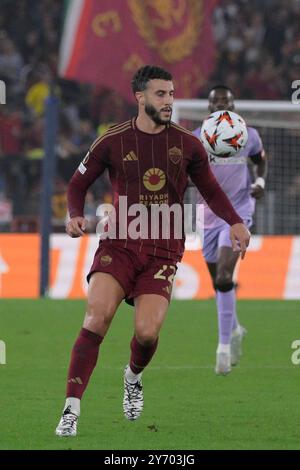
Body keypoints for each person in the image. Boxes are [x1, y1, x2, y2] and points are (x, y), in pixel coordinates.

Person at [55, 67, 250, 437]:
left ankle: (133, 376)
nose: (169, 101)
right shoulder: (112, 141)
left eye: (172, 94)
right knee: (96, 318)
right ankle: (70, 409)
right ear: (140, 98)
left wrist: (235, 222)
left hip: (163, 249)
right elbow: (78, 183)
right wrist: (75, 215)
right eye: (161, 94)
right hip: (120, 243)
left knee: (146, 333)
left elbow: (210, 191)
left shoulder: (188, 145)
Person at [193, 85, 267, 375]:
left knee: (225, 276)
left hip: (238, 214)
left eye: (227, 101)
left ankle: (223, 348)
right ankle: (236, 330)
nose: (222, 106)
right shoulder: (198, 138)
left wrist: (259, 184)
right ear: (209, 108)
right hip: (207, 216)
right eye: (217, 102)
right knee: (217, 281)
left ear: (234, 105)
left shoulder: (248, 133)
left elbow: (260, 162)